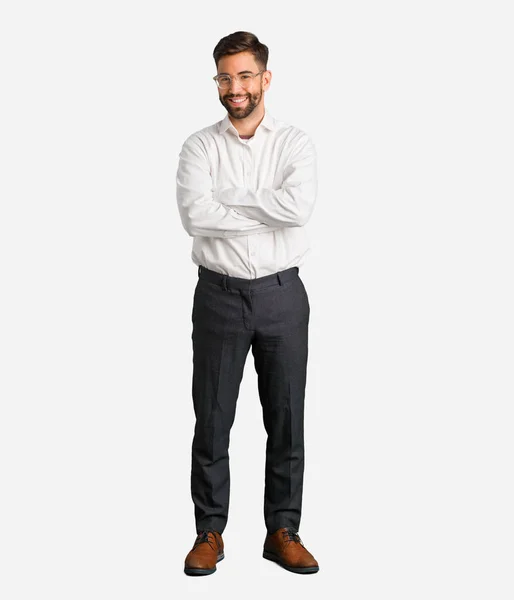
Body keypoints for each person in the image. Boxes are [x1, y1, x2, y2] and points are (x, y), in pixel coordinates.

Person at [176, 31, 319, 576]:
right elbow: (195, 216)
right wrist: (267, 208)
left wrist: (229, 198)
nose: (234, 87)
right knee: (212, 418)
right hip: (219, 294)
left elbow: (298, 208)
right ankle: (209, 531)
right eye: (224, 77)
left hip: (283, 294)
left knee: (286, 417)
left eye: (244, 75)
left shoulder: (295, 143)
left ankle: (283, 530)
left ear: (265, 78)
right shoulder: (199, 147)